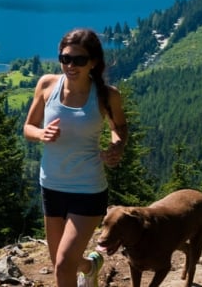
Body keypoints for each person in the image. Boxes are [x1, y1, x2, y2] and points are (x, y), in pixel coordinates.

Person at [22, 28, 128, 287]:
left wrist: (117, 145)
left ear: (93, 62)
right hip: (51, 185)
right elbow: (28, 127)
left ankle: (85, 267)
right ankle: (90, 266)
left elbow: (120, 127)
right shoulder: (47, 85)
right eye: (65, 58)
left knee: (62, 265)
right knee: (62, 260)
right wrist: (41, 134)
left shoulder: (106, 95)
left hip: (88, 189)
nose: (70, 65)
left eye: (79, 60)